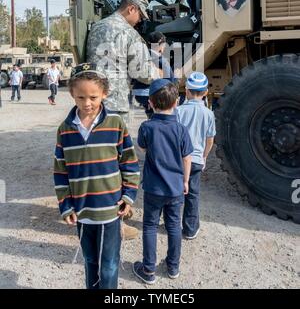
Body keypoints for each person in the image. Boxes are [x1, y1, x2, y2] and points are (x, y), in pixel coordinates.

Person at [53, 63, 140, 289]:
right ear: (72, 94)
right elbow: (60, 172)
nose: (87, 103)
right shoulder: (65, 130)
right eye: (80, 97)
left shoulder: (116, 124)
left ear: (104, 93)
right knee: (90, 261)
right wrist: (66, 206)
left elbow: (129, 162)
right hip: (82, 212)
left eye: (93, 96)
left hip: (110, 210)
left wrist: (128, 196)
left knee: (109, 264)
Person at [87, 0, 158, 239]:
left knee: (96, 162)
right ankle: (113, 224)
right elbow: (144, 73)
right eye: (140, 16)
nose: (140, 21)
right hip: (115, 107)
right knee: (115, 166)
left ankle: (97, 212)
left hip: (92, 104)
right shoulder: (128, 33)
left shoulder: (97, 27)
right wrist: (160, 73)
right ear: (131, 9)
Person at [133, 79, 193, 284]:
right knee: (174, 226)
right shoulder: (181, 130)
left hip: (153, 187)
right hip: (176, 187)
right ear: (176, 102)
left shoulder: (146, 127)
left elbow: (142, 149)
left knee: (150, 226)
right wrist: (185, 181)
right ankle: (173, 267)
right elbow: (187, 158)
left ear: (150, 102)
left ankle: (148, 270)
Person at [176, 72, 216, 239]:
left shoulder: (178, 111)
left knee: (175, 193)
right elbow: (210, 140)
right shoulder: (209, 114)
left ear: (187, 91)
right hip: (197, 160)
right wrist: (205, 157)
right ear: (206, 92)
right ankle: (190, 229)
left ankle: (172, 222)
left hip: (178, 160)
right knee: (193, 194)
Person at [133, 31, 176, 118]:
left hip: (138, 93)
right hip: (153, 94)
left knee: (150, 113)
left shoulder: (141, 56)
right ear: (160, 45)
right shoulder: (161, 60)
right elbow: (169, 80)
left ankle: (150, 115)